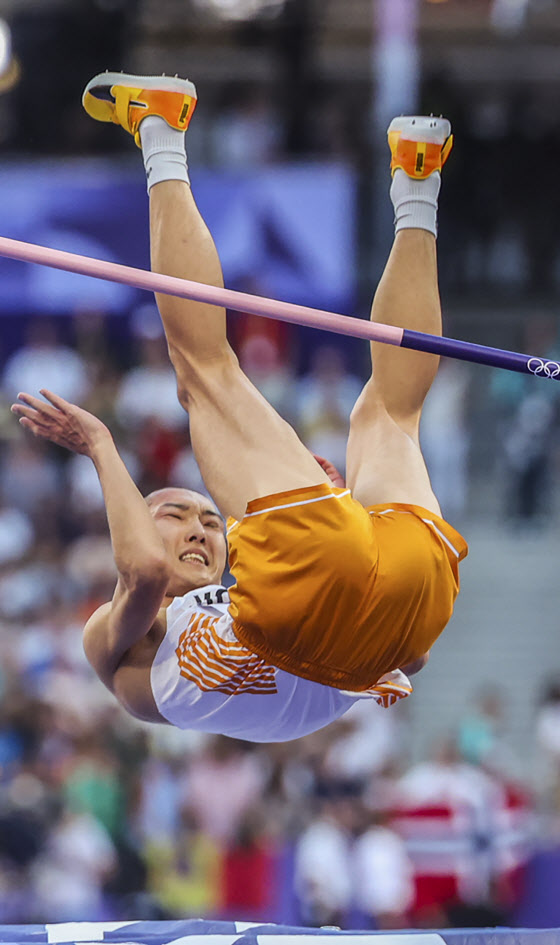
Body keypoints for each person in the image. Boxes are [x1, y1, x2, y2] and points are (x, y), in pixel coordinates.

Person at [11, 73, 467, 743]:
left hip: (376, 609)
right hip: (360, 616)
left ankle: (416, 181)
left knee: (387, 412)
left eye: (208, 520)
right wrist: (103, 446)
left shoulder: (143, 623)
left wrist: (343, 543)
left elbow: (145, 567)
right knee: (203, 371)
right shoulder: (132, 635)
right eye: (175, 513)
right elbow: (143, 570)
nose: (200, 528)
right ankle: (160, 129)